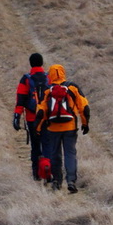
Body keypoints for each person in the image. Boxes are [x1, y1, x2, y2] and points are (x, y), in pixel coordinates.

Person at [35, 63, 90, 193]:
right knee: (70, 153)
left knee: (55, 154)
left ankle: (56, 181)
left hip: (53, 129)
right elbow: (84, 107)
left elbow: (41, 112)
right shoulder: (72, 87)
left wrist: (37, 128)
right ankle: (71, 181)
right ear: (63, 73)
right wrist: (85, 123)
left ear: (51, 75)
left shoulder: (48, 91)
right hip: (70, 127)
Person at [13, 53, 49, 181]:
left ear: (30, 63)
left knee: (35, 146)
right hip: (46, 118)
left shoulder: (26, 79)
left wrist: (17, 116)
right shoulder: (48, 78)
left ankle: (36, 174)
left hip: (32, 118)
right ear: (42, 63)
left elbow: (20, 100)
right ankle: (48, 171)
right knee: (48, 145)